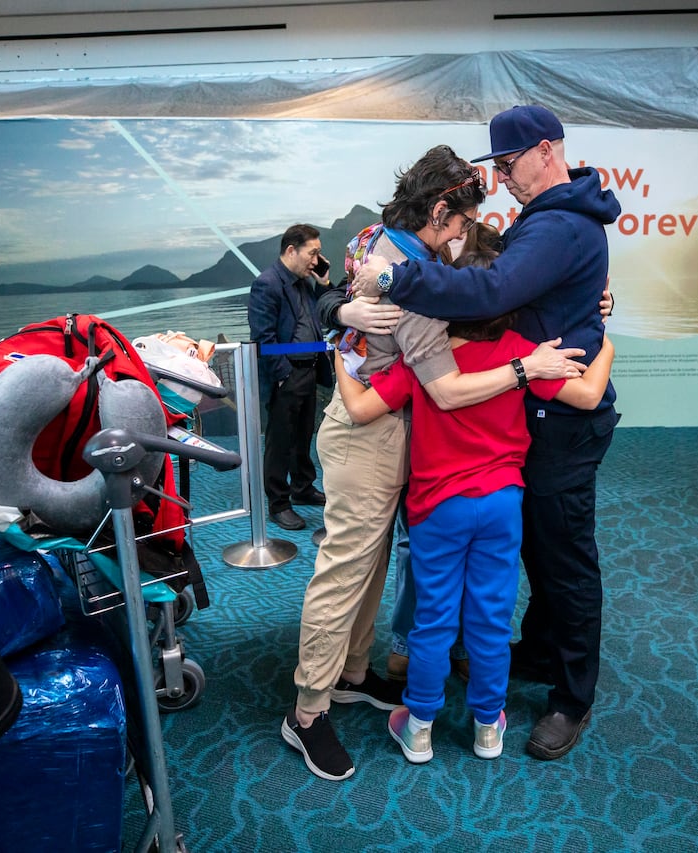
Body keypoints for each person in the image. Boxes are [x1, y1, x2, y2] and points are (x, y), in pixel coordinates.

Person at [283, 145, 586, 781]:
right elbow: (445, 389)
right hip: (371, 435)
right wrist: (523, 367)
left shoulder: (381, 241)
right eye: (458, 225)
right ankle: (307, 712)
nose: (458, 242)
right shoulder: (411, 279)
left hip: (399, 435)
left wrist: (338, 315)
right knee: (347, 570)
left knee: (376, 568)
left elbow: (334, 302)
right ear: (442, 209)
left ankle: (352, 677)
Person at [352, 105, 622, 761]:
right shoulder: (550, 220)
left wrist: (394, 276)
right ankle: (535, 652)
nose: (501, 180)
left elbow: (492, 291)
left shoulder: (559, 223)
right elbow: (515, 292)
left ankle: (572, 697)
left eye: (507, 164)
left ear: (547, 150)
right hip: (533, 419)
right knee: (528, 552)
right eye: (495, 169)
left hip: (561, 416)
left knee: (565, 562)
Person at [248, 223, 334, 531]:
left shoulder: (304, 282)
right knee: (280, 440)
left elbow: (323, 314)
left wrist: (323, 283)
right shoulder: (267, 284)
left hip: (308, 369)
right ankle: (279, 503)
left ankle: (302, 488)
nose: (316, 260)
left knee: (303, 435)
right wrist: (283, 376)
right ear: (290, 251)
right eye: (313, 253)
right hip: (287, 374)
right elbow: (263, 337)